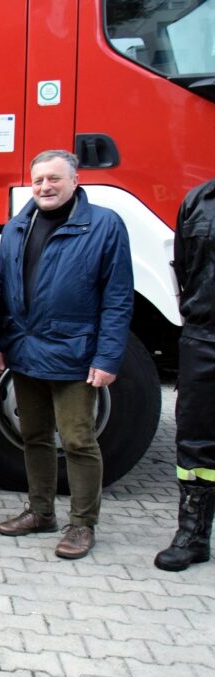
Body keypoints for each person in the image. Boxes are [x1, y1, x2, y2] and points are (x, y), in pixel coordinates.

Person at [0, 149, 133, 560]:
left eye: (54, 179)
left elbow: (118, 299)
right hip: (25, 351)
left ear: (75, 180)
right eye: (38, 181)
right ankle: (40, 512)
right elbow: (0, 291)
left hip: (74, 354)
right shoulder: (18, 226)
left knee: (77, 440)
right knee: (33, 436)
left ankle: (82, 524)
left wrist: (107, 359)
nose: (45, 187)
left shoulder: (104, 225)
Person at [155, 177, 215, 571]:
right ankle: (192, 535)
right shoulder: (198, 200)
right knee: (194, 442)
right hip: (203, 336)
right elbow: (183, 266)